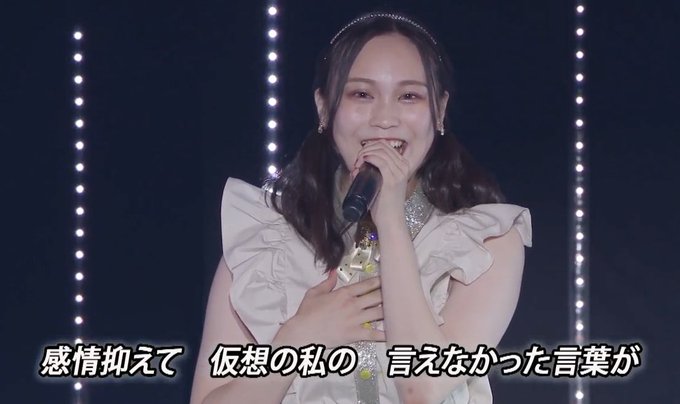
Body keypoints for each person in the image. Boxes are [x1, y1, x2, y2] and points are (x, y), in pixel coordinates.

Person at [191, 11, 532, 404]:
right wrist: (297, 340)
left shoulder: (486, 243)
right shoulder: (263, 237)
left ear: (439, 111)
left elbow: (422, 388)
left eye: (409, 96)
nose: (385, 118)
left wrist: (391, 220)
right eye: (361, 95)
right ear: (324, 108)